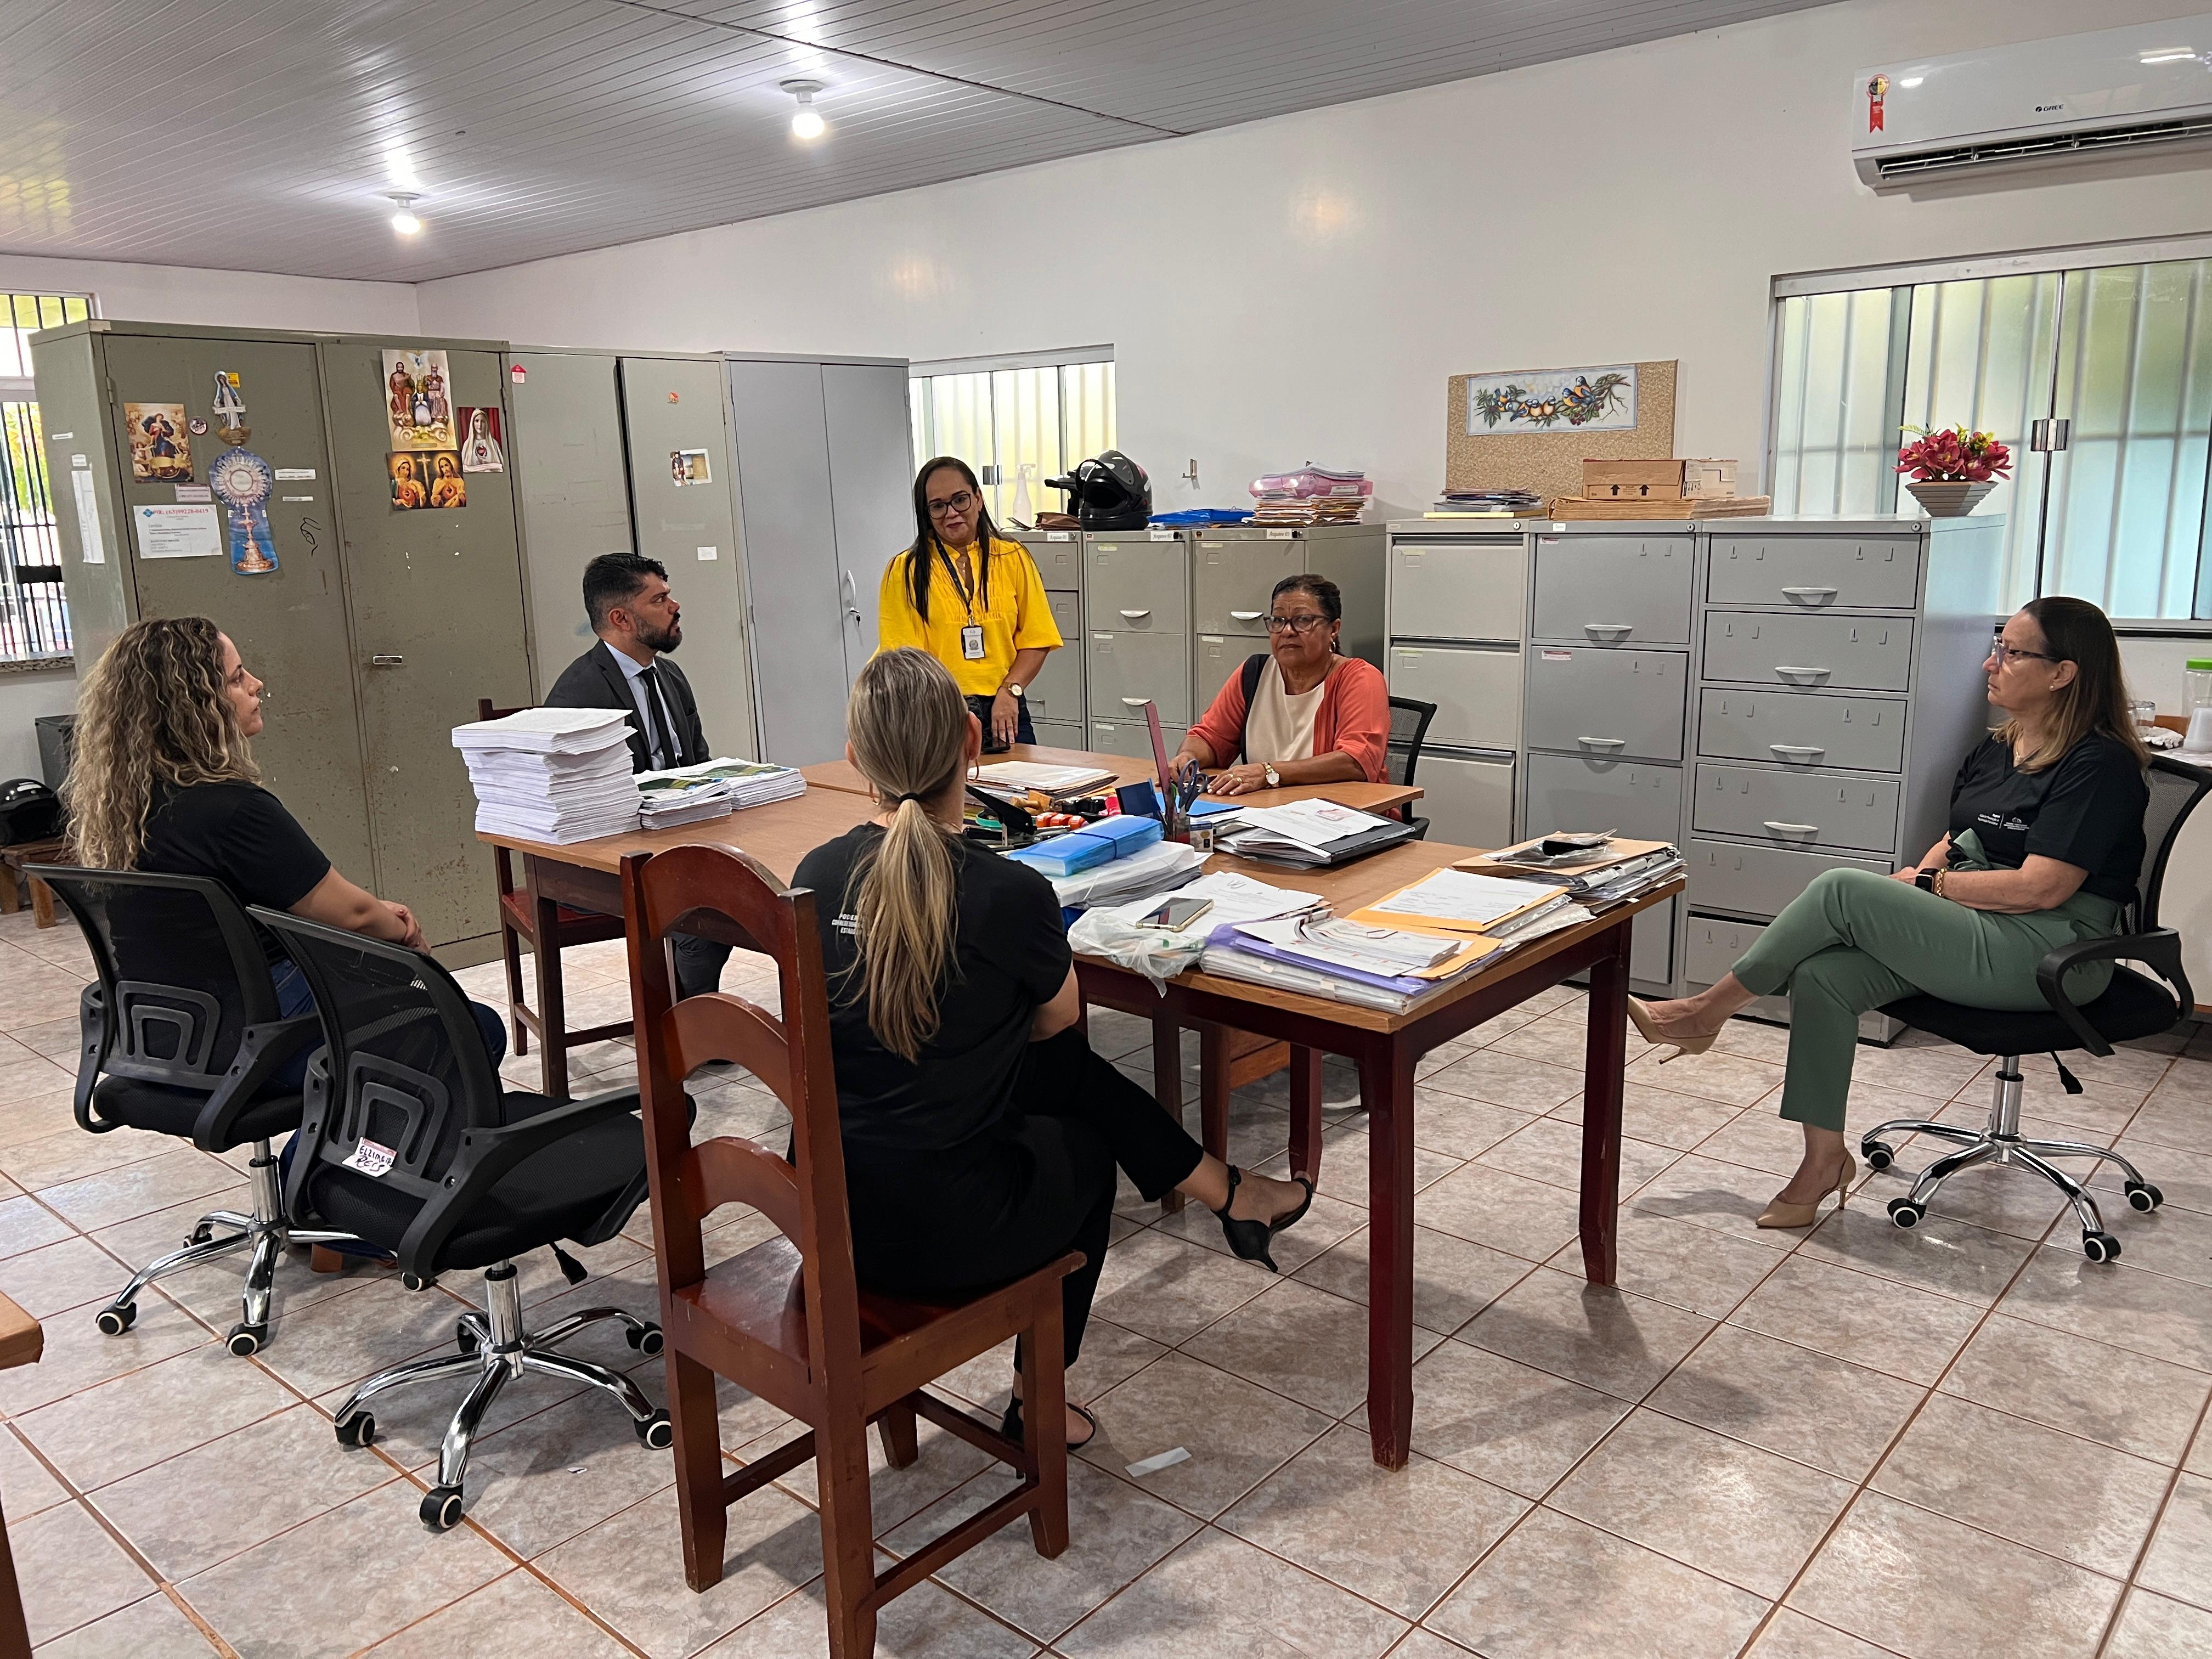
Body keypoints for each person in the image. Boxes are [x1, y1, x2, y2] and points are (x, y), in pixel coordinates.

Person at [794, 648, 1314, 1447]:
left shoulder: (813, 873)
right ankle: (1037, 1395)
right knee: (1077, 1138)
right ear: (973, 742)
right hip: (948, 1231)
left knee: (1046, 1078)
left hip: (827, 1218)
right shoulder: (1007, 892)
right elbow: (1058, 1025)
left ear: (855, 755)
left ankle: (1234, 1195)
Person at [1629, 597, 2149, 1228]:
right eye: (1997, 646)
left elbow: (2042, 889)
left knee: (1843, 889)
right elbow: (1956, 840)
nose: (1991, 663)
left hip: (2052, 950)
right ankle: (1823, 1161)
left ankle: (1702, 1012)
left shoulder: (2099, 765)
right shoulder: (1997, 748)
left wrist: (1931, 888)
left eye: (2013, 653)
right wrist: (1927, 875)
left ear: (2063, 673)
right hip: (1982, 923)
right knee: (1825, 977)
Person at [61, 616, 508, 1091]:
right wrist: (401, 927)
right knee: (473, 1030)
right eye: (236, 678)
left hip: (166, 1035)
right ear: (193, 705)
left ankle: (329, 1153)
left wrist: (374, 913)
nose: (256, 685)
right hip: (255, 1039)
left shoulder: (133, 805)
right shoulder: (232, 809)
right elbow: (353, 916)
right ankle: (318, 1164)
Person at [544, 551, 728, 997]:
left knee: (752, 881)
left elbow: (697, 760)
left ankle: (694, 1009)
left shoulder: (670, 676)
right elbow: (576, 804)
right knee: (705, 910)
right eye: (660, 599)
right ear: (621, 618)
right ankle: (690, 1019)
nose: (675, 606)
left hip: (675, 833)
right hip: (615, 850)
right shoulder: (578, 694)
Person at [877, 456, 1061, 751]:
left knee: (1021, 796)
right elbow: (905, 658)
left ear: (977, 498)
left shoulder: (1012, 557)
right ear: (926, 513)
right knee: (954, 798)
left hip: (1007, 709)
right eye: (937, 506)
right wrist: (948, 709)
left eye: (960, 500)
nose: (951, 513)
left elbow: (1037, 639)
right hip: (940, 713)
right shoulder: (906, 570)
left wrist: (1010, 692)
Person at [1171, 573, 1390, 794]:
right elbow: (1210, 737)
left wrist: (1268, 773)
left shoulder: (1359, 678)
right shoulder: (1254, 673)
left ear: (1334, 629)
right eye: (1278, 620)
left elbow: (1355, 761)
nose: (1287, 631)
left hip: (1342, 815)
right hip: (1265, 811)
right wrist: (1188, 756)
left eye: (1303, 620)